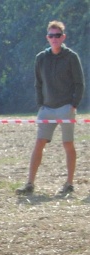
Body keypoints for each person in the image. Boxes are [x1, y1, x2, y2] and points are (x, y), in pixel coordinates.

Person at [16, 20, 85, 197]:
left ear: (63, 37)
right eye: (51, 36)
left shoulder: (71, 57)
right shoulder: (41, 58)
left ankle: (69, 183)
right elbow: (38, 83)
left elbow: (79, 83)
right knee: (39, 143)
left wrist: (73, 104)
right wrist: (40, 105)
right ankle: (30, 183)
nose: (54, 38)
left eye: (57, 35)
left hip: (66, 107)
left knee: (68, 144)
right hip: (47, 108)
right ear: (47, 37)